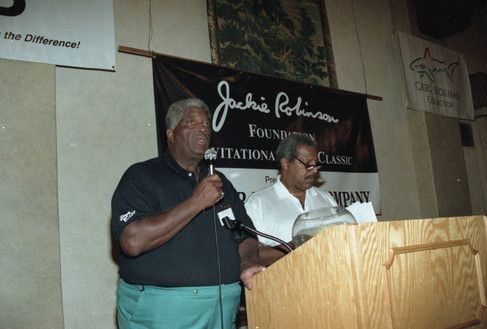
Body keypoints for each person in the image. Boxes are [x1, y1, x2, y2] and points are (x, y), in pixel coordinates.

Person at [111, 98, 263, 329]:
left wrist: (247, 264)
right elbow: (132, 240)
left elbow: (246, 236)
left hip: (223, 307)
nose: (202, 127)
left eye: (206, 123)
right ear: (171, 134)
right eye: (191, 122)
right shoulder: (142, 176)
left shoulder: (220, 182)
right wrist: (195, 203)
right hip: (162, 311)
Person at [245, 134, 338, 266]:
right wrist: (295, 246)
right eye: (308, 164)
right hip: (284, 283)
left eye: (316, 164)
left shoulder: (326, 199)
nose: (315, 170)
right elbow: (250, 256)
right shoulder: (258, 204)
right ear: (285, 163)